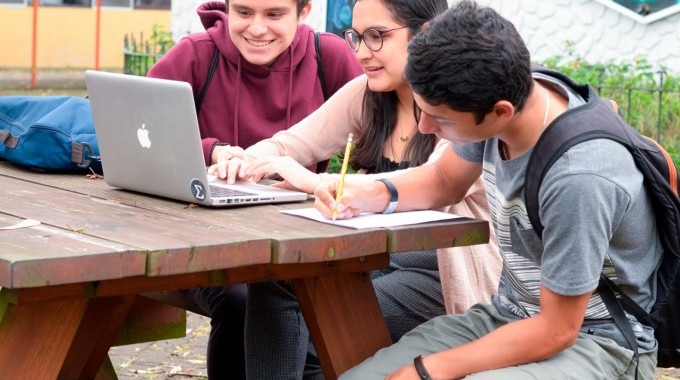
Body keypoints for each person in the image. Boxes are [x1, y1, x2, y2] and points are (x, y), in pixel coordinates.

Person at [313, 1, 662, 379]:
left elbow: (558, 330)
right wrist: (365, 193)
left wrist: (428, 370)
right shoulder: (501, 85)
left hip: (598, 342)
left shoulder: (579, 177)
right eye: (423, 110)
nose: (426, 128)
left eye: (441, 119)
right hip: (506, 316)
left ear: (500, 112)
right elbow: (444, 182)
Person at [210, 0, 501, 378]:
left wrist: (314, 181)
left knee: (316, 332)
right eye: (357, 37)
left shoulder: (460, 101)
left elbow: (433, 184)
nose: (361, 52)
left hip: (439, 268)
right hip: (365, 254)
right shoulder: (368, 94)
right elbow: (288, 143)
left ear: (426, 34)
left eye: (377, 37)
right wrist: (246, 161)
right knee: (274, 279)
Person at [145, 1, 363, 378]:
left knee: (313, 304)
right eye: (243, 13)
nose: (257, 28)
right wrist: (211, 150)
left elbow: (378, 133)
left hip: (299, 240)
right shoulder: (196, 54)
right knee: (239, 298)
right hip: (199, 239)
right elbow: (135, 128)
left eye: (274, 15)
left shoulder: (329, 56)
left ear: (304, 11)